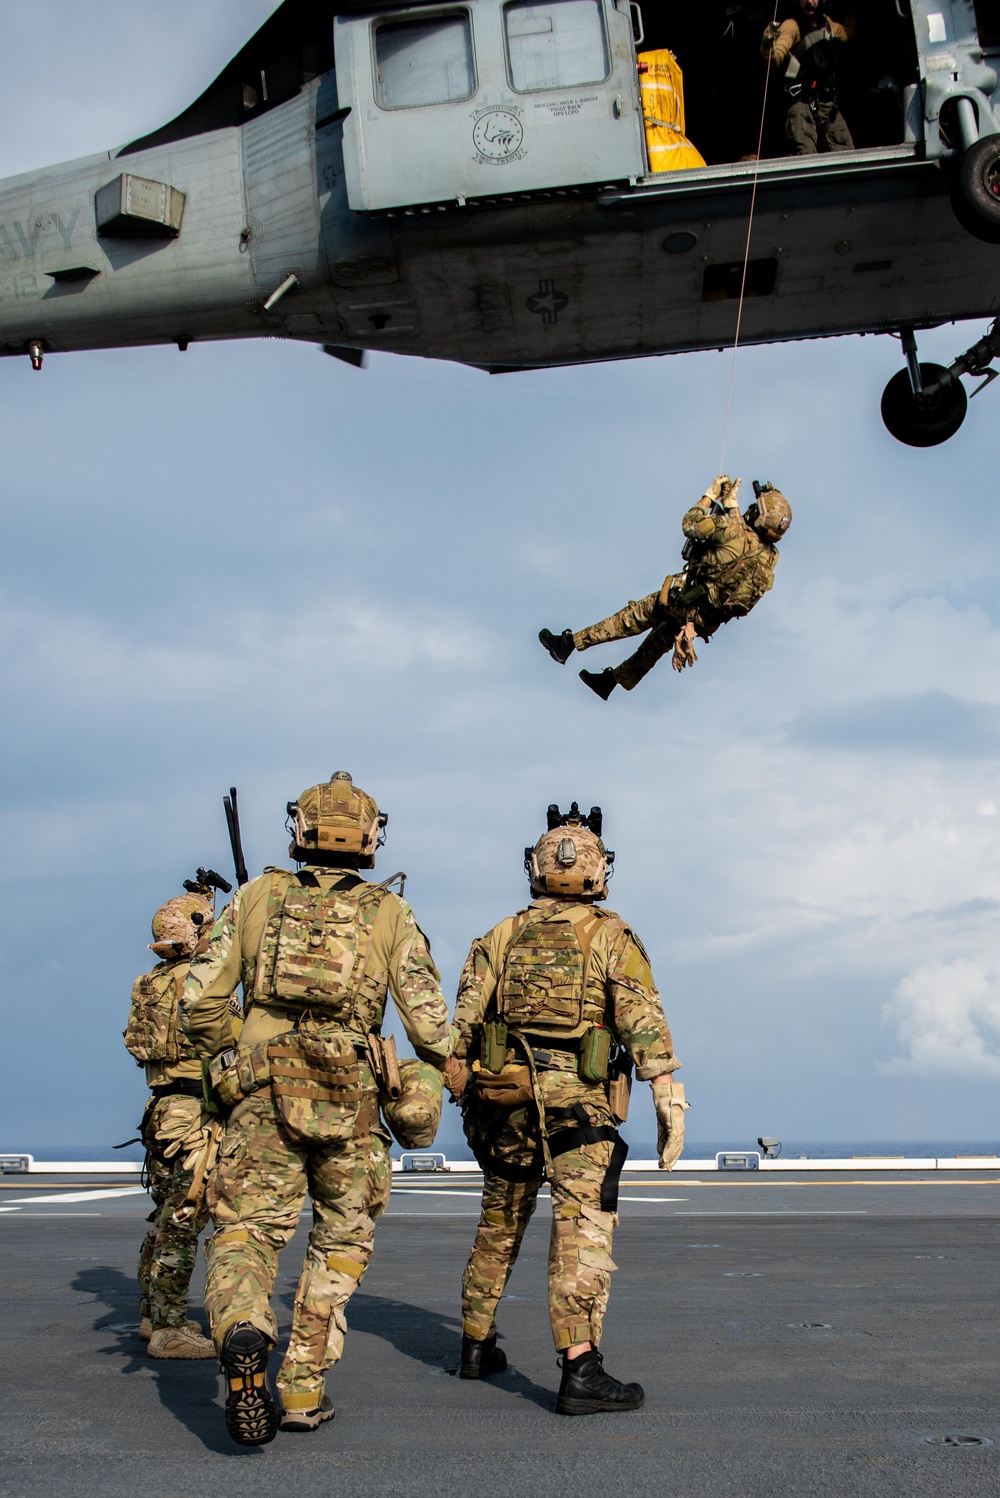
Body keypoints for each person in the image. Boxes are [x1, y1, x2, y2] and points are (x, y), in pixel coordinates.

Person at [179, 770, 459, 1446]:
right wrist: (455, 1068)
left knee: (246, 1229)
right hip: (352, 1097)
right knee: (340, 1241)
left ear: (300, 832)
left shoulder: (255, 897)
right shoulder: (389, 911)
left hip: (263, 1091)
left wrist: (236, 1058)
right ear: (370, 837)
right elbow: (427, 1023)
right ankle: (303, 1386)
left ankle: (243, 1325)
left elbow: (197, 1001)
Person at [451, 803, 687, 1415]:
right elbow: (641, 1017)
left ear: (533, 867)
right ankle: (580, 1368)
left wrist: (460, 1090)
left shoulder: (499, 936)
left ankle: (476, 1345)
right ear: (599, 871)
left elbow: (461, 1027)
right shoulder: (612, 936)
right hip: (579, 1110)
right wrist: (667, 1092)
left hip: (504, 1103)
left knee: (499, 1222)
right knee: (580, 1232)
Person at [539, 475, 791, 700]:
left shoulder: (731, 530)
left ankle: (569, 644)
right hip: (704, 620)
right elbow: (743, 543)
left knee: (632, 617)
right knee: (655, 644)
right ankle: (610, 682)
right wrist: (731, 504)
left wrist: (710, 495)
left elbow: (690, 524)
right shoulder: (769, 557)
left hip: (684, 602)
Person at [124, 881, 226, 1360]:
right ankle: (169, 1327)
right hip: (191, 1114)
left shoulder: (150, 981)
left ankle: (151, 1311)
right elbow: (233, 1037)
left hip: (161, 1109)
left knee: (164, 1215)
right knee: (185, 1217)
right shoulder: (199, 983)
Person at [761, 0, 853, 155]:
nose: (809, 2)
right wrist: (767, 47)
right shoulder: (792, 26)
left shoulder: (828, 24)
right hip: (801, 106)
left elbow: (849, 33)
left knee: (848, 156)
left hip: (828, 105)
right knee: (805, 157)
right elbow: (775, 58)